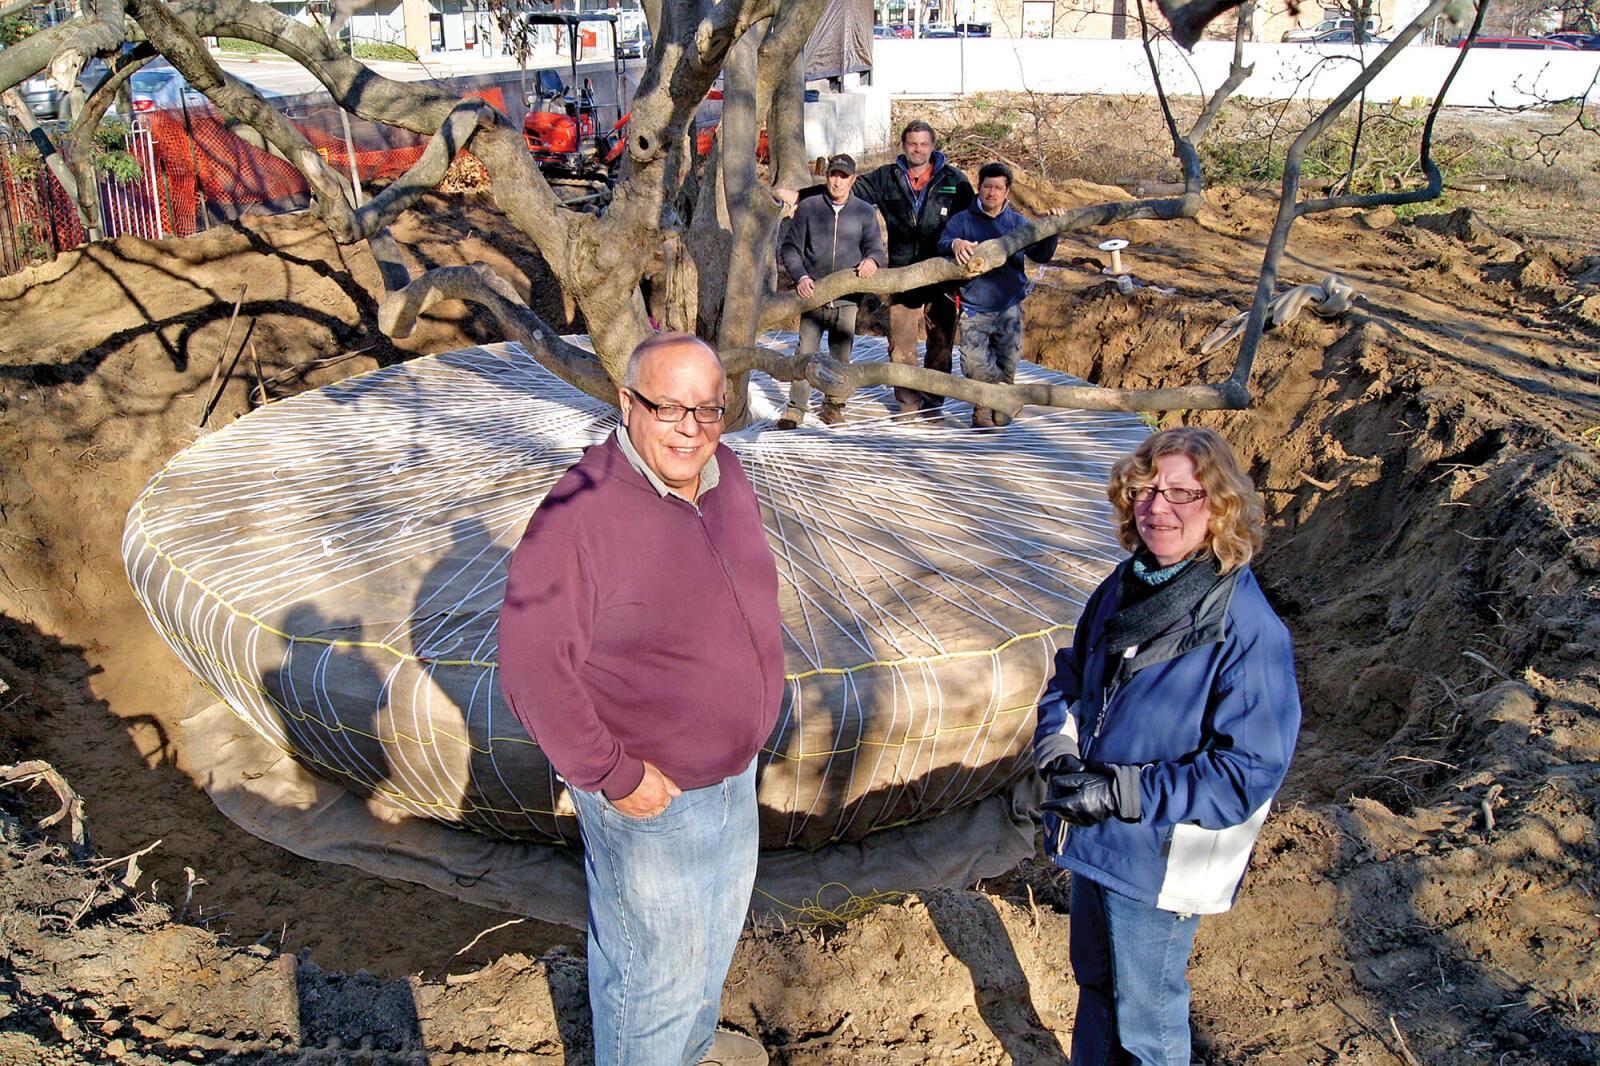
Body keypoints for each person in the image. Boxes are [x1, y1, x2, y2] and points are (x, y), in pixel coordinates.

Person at [498, 333, 785, 1066]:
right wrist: (614, 776)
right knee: (650, 978)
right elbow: (531, 668)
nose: (691, 428)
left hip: (732, 779)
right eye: (669, 408)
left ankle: (690, 1055)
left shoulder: (726, 473)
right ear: (628, 404)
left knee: (706, 953)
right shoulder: (578, 514)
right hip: (653, 798)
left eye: (709, 410)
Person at [1032, 427, 1301, 1066]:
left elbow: (1246, 771)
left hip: (1159, 856)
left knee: (1146, 1026)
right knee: (1097, 993)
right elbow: (1075, 674)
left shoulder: (1246, 627)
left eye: (1183, 492)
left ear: (1219, 507)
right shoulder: (1125, 585)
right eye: (1147, 490)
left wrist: (1122, 791)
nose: (1160, 507)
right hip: (1097, 839)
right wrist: (1058, 748)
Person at [853, 120, 973, 418]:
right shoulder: (888, 177)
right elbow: (844, 189)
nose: (917, 149)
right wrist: (802, 196)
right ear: (903, 146)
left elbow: (977, 216)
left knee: (941, 344)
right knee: (901, 343)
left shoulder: (954, 180)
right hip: (903, 275)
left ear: (933, 146)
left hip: (944, 274)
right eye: (912, 144)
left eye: (923, 144)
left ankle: (933, 405)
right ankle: (907, 404)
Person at [938, 161, 1063, 429]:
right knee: (972, 364)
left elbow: (1041, 255)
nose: (991, 193)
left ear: (1007, 192)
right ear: (979, 188)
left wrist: (1053, 229)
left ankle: (993, 408)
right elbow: (943, 243)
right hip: (974, 306)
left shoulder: (1017, 223)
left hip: (1008, 306)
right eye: (987, 187)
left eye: (998, 188)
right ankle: (995, 401)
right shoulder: (962, 220)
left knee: (1007, 360)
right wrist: (955, 243)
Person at [776, 153, 884, 429]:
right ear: (827, 177)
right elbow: (790, 248)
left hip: (848, 299)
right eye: (833, 175)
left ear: (853, 180)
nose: (837, 181)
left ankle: (834, 406)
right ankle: (796, 408)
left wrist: (871, 261)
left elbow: (875, 249)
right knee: (805, 353)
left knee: (841, 354)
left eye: (843, 176)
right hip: (813, 295)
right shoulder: (810, 208)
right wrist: (800, 276)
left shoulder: (864, 211)